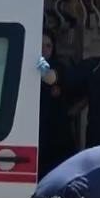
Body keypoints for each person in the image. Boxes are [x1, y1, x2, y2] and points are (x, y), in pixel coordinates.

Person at [37, 33, 78, 178]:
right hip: (35, 137)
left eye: (48, 45)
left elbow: (51, 77)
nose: (44, 49)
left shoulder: (59, 66)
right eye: (40, 44)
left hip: (57, 139)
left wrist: (43, 71)